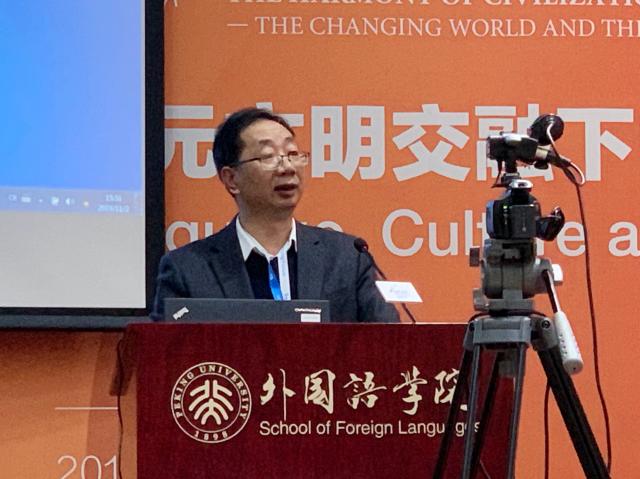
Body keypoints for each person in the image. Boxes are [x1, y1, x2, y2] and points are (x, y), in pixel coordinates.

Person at [152, 107, 399, 323]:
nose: (287, 167)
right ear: (231, 179)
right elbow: (163, 354)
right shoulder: (187, 269)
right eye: (268, 156)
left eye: (292, 154)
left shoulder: (347, 258)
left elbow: (389, 343)